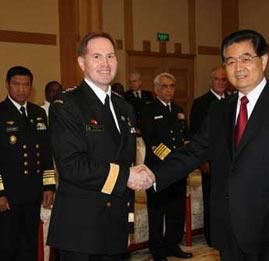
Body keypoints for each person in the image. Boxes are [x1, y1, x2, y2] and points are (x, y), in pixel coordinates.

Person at [134, 29, 269, 261]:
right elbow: (194, 150)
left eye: (246, 59)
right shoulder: (219, 110)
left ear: (264, 60)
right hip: (228, 228)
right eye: (231, 61)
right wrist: (153, 175)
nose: (238, 67)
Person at [47, 31, 154, 261]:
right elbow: (72, 166)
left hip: (115, 225)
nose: (105, 63)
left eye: (110, 56)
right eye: (96, 56)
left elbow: (127, 158)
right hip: (81, 231)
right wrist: (126, 176)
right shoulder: (66, 105)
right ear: (81, 62)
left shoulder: (125, 108)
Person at [0, 66, 56, 261]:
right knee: (7, 247)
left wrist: (48, 186)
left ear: (31, 87)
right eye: (16, 84)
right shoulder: (1, 113)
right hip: (9, 197)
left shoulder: (38, 113)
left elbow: (47, 154)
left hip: (32, 193)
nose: (21, 89)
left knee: (30, 245)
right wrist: (0, 192)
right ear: (8, 85)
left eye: (26, 85)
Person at [140, 72, 193, 261]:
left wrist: (184, 159)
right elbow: (151, 141)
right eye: (165, 86)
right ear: (156, 89)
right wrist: (173, 161)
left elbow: (185, 137)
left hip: (178, 171)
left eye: (172, 86)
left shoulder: (178, 109)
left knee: (176, 212)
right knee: (157, 212)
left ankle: (172, 245)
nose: (169, 89)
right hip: (158, 171)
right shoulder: (148, 110)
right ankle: (157, 250)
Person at [189, 66, 228, 246]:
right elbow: (196, 134)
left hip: (231, 162)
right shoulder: (201, 103)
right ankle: (212, 237)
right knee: (212, 199)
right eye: (217, 79)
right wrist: (203, 160)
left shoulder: (233, 100)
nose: (220, 83)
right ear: (211, 81)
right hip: (210, 161)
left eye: (224, 80)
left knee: (228, 199)